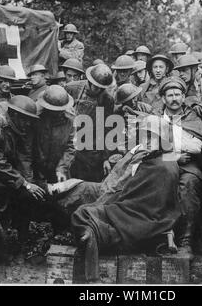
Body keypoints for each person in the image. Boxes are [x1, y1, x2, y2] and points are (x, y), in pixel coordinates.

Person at [71, 114, 181, 283]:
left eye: (152, 136)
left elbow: (137, 199)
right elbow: (135, 192)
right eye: (145, 135)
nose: (147, 140)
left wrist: (109, 204)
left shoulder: (161, 165)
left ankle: (92, 239)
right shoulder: (158, 158)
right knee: (88, 212)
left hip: (143, 219)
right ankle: (92, 234)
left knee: (82, 213)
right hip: (144, 216)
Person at [0, 96, 61, 246]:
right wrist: (25, 184)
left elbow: (24, 158)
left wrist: (33, 183)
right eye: (25, 119)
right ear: (14, 114)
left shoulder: (17, 128)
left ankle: (22, 238)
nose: (28, 123)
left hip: (9, 179)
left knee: (29, 198)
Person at [159, 77, 202, 256]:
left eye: (178, 94)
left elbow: (197, 146)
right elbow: (148, 146)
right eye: (170, 95)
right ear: (163, 99)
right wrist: (175, 154)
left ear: (183, 97)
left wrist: (168, 143)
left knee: (188, 186)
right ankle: (160, 237)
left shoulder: (191, 117)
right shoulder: (156, 118)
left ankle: (186, 240)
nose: (174, 98)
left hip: (189, 167)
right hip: (161, 166)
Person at [65, 64, 115, 182]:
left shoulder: (107, 100)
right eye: (96, 86)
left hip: (90, 149)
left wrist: (105, 158)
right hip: (68, 143)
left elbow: (106, 130)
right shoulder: (72, 89)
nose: (98, 90)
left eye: (102, 88)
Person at [34, 85, 76, 184]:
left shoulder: (69, 119)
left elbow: (70, 147)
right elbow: (26, 150)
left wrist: (61, 169)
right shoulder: (35, 116)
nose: (57, 114)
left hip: (57, 169)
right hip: (35, 170)